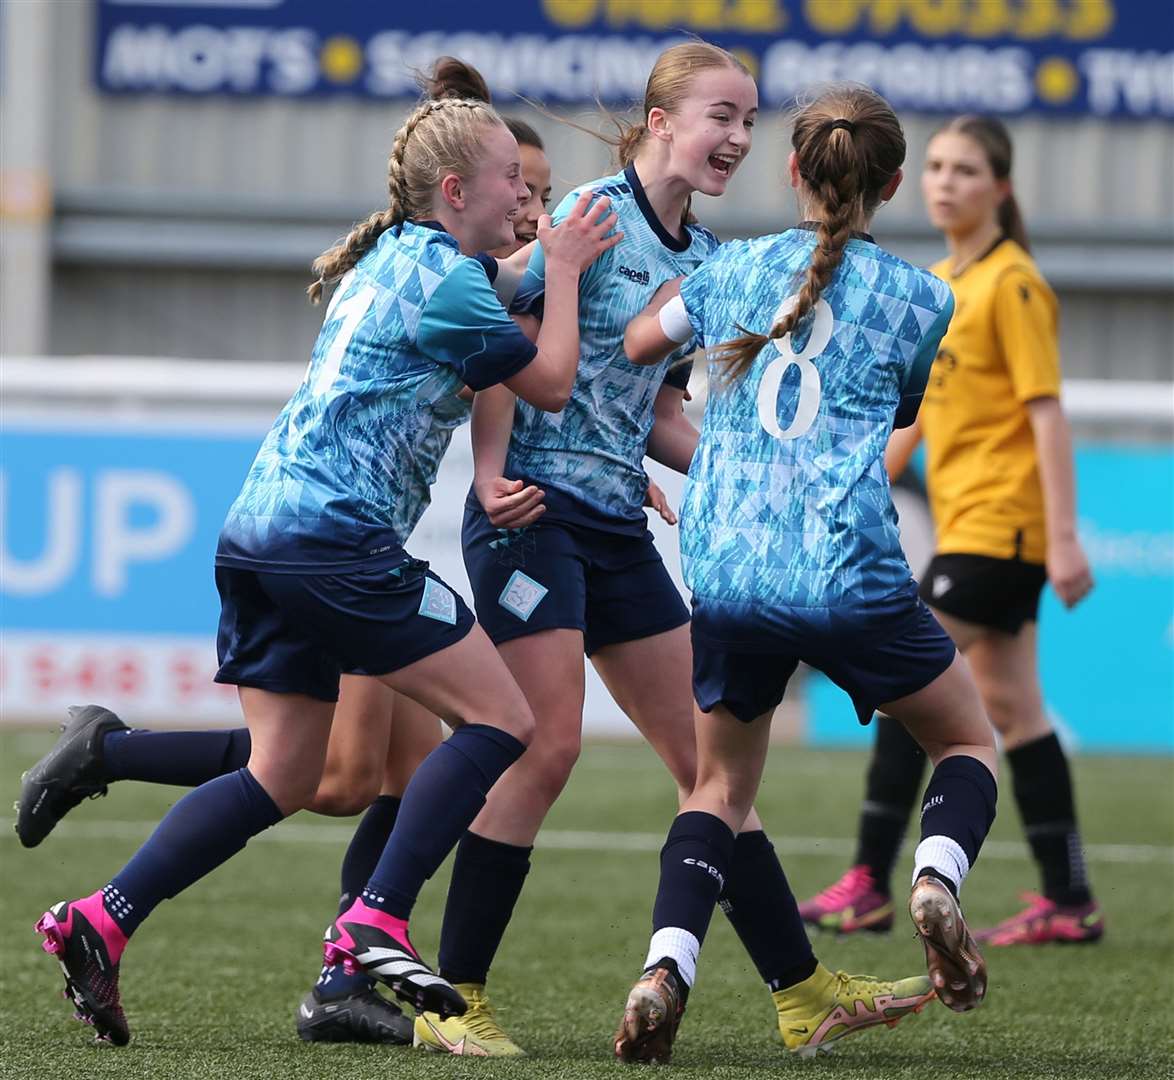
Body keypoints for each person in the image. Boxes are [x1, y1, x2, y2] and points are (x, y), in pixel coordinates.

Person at [33, 90, 620, 1047]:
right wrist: (561, 269)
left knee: (286, 772)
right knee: (504, 716)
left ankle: (101, 918)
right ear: (456, 188)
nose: (526, 190)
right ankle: (376, 918)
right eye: (513, 176)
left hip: (258, 531)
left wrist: (540, 268)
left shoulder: (397, 259)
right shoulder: (453, 280)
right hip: (338, 541)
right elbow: (548, 382)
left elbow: (494, 290)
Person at [414, 46, 931, 1061]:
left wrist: (749, 476)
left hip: (611, 523)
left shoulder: (705, 263)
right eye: (719, 116)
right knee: (545, 744)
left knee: (707, 770)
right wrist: (484, 473)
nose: (738, 137)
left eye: (748, 121)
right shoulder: (590, 220)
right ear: (658, 122)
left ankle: (798, 988)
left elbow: (654, 406)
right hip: (531, 518)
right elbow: (492, 336)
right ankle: (450, 997)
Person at [613, 83, 1000, 1065]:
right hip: (846, 569)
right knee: (964, 741)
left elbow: (632, 347)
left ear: (790, 168)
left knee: (717, 789)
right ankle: (933, 883)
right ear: (895, 184)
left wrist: (658, 291)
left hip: (732, 566)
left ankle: (666, 967)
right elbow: (899, 409)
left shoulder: (730, 272)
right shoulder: (926, 298)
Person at [798, 114, 1102, 946]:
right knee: (1014, 705)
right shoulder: (937, 283)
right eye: (934, 167)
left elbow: (1048, 418)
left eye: (965, 170)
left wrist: (1064, 535)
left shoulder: (1014, 283)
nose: (944, 182)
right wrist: (848, 482)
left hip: (1002, 532)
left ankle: (865, 882)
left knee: (910, 687)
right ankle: (1071, 898)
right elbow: (915, 425)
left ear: (999, 188)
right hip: (973, 528)